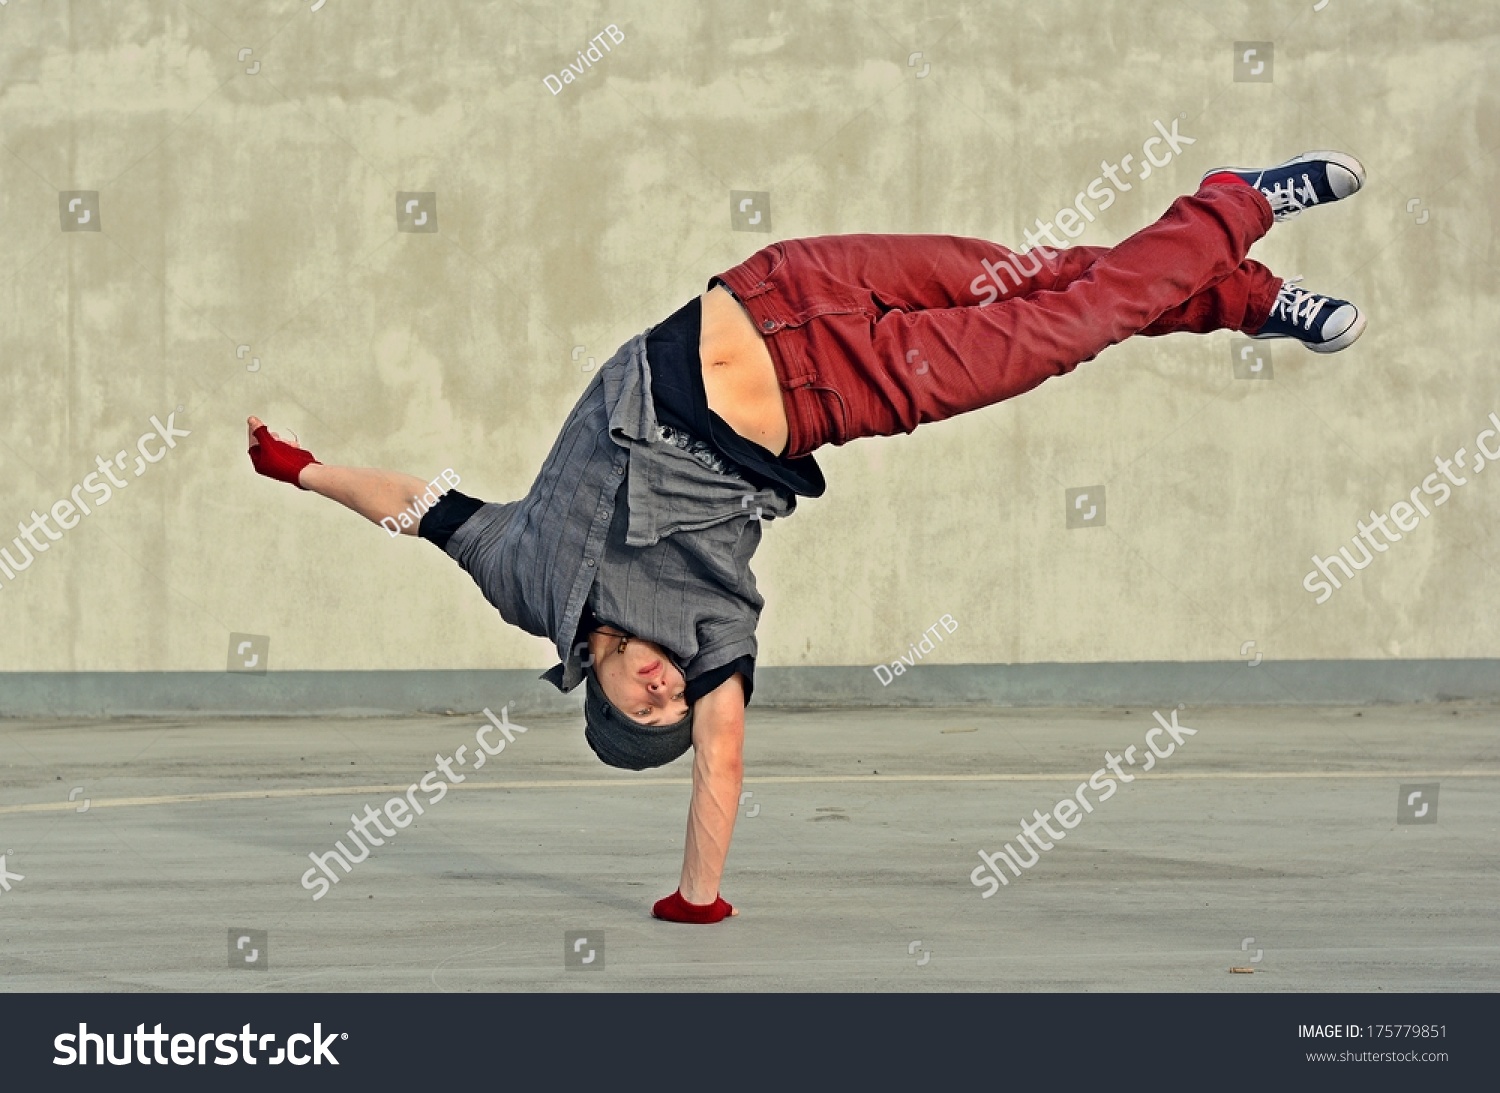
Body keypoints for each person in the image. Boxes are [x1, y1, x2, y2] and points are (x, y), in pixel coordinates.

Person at [248, 151, 1366, 924]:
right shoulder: (713, 630)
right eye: (671, 700)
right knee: (1065, 324)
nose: (662, 685)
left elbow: (415, 507)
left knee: (1047, 275)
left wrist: (301, 469)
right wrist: (698, 897)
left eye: (645, 703)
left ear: (600, 696)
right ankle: (1237, 216)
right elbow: (721, 769)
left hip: (779, 286)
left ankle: (1241, 294)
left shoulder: (524, 580)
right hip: (849, 386)